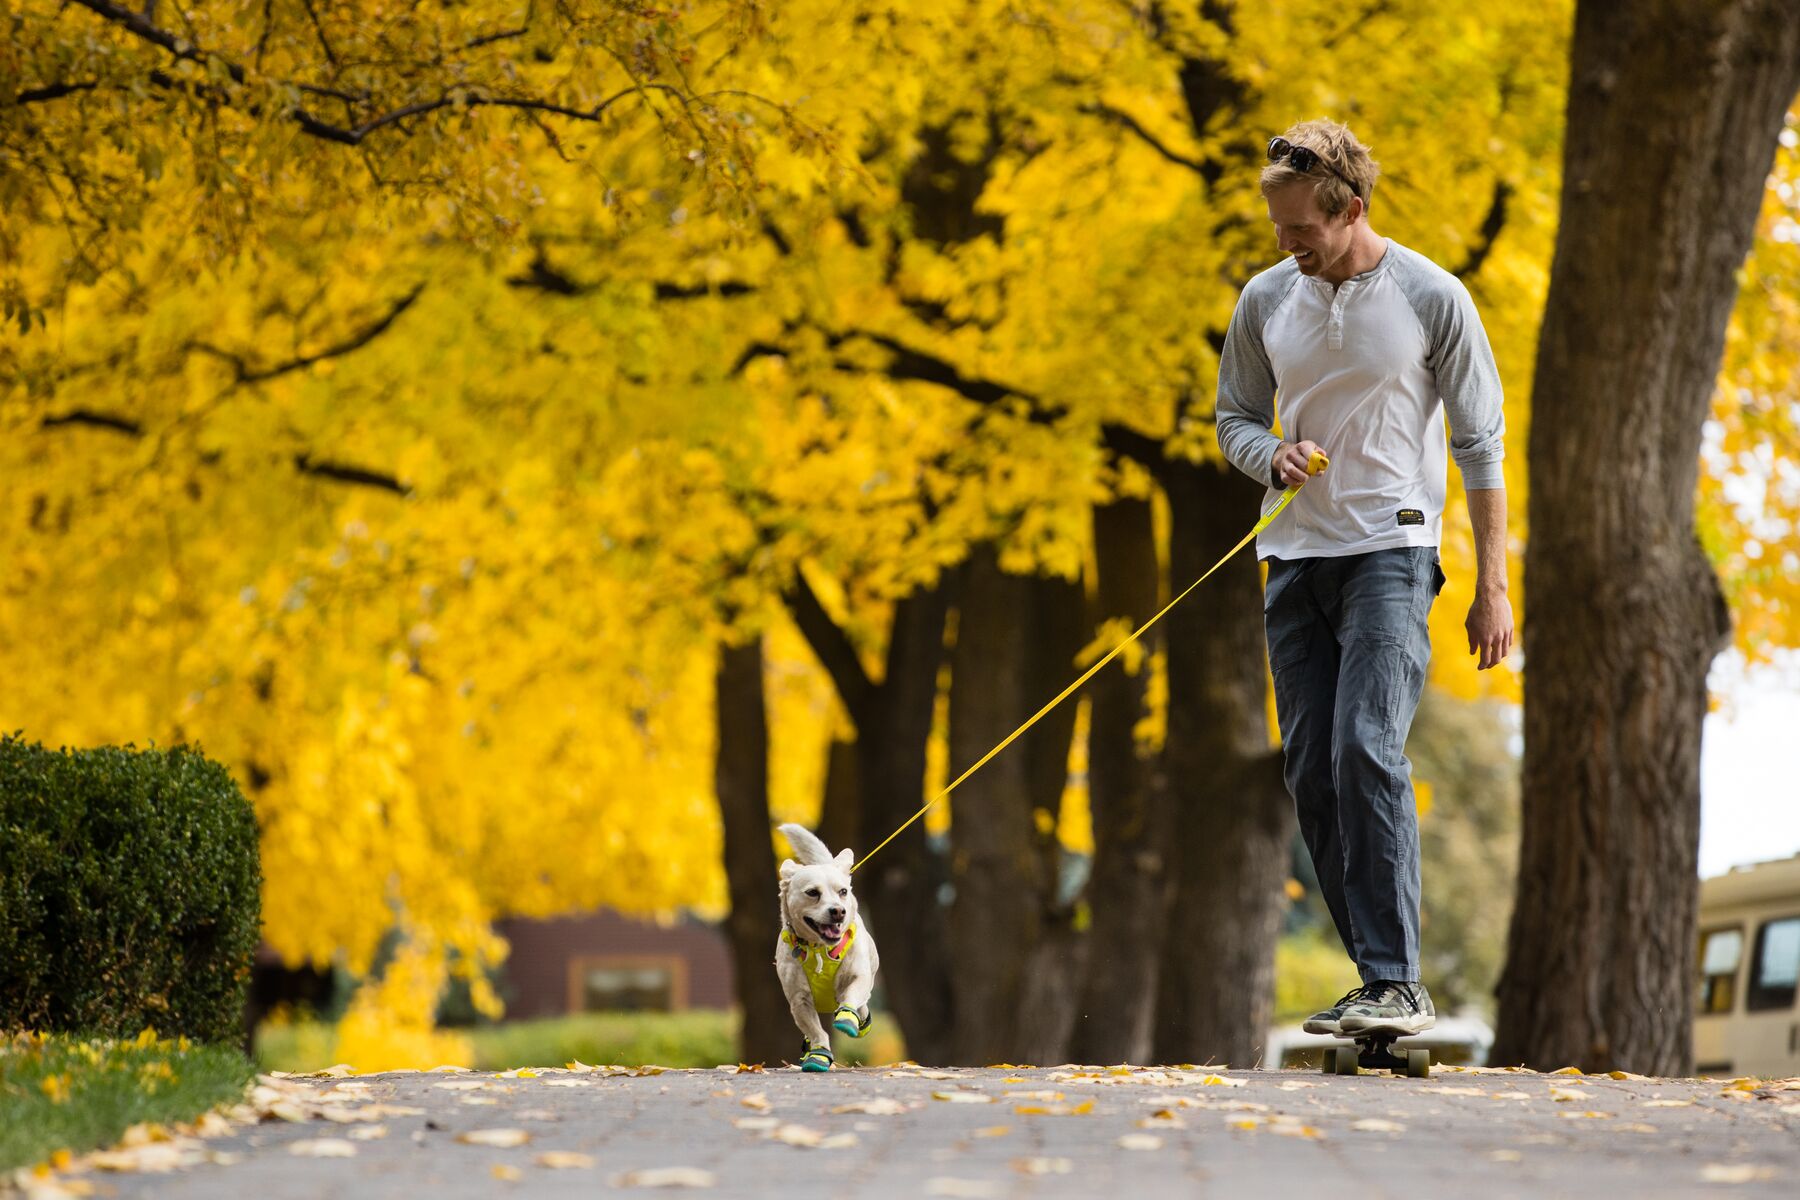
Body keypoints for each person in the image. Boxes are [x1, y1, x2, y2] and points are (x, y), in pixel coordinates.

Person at [1214, 119, 1515, 1037]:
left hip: (1395, 549)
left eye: (1301, 228)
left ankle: (1394, 977)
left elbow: (1480, 444)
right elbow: (1232, 417)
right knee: (1311, 772)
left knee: (1364, 744)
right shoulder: (1266, 298)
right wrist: (1271, 454)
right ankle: (1378, 981)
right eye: (1277, 228)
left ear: (1349, 210)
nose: (1285, 244)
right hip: (1293, 559)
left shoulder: (1432, 296)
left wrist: (1492, 584)